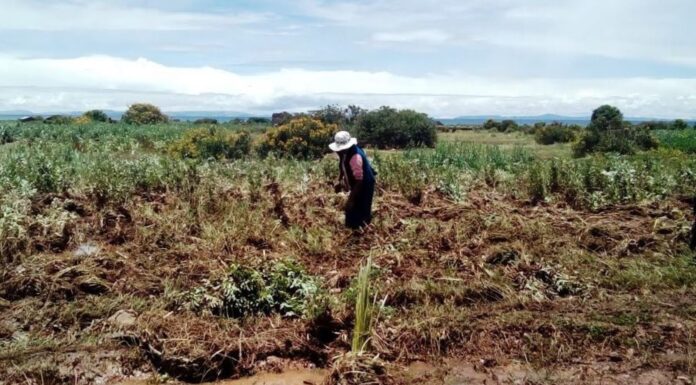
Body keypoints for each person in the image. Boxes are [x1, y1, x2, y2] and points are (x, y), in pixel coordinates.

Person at [329, 131, 376, 230]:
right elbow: (342, 166)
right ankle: (352, 227)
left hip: (365, 184)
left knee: (361, 208)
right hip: (357, 184)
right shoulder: (344, 153)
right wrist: (339, 180)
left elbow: (359, 181)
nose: (338, 151)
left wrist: (351, 199)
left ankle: (363, 231)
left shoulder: (355, 156)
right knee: (352, 211)